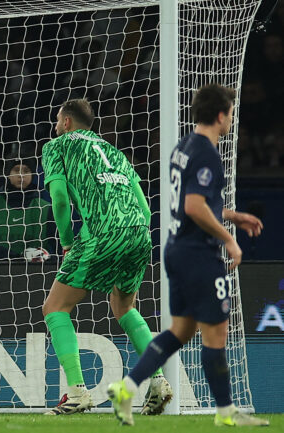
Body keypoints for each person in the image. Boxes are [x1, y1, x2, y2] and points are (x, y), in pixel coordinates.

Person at [107, 84, 268, 427]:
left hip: (176, 249)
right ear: (221, 115)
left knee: (180, 332)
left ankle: (127, 387)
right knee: (216, 333)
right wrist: (230, 239)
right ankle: (225, 412)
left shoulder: (183, 146)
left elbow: (193, 202)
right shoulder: (208, 153)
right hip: (199, 254)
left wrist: (232, 215)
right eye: (231, 113)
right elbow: (195, 206)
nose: (232, 119)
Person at [40, 98, 173, 415]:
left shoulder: (57, 147)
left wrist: (68, 241)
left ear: (67, 123)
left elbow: (59, 200)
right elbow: (144, 207)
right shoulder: (114, 152)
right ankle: (157, 381)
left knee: (55, 306)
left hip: (104, 232)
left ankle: (76, 393)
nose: (56, 125)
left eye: (58, 120)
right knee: (124, 306)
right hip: (140, 232)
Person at [0, 160, 54, 260]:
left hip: (37, 271)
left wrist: (46, 257)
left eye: (26, 171)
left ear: (32, 175)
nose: (21, 175)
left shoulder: (45, 208)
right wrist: (16, 256)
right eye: (16, 170)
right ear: (8, 174)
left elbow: (58, 248)